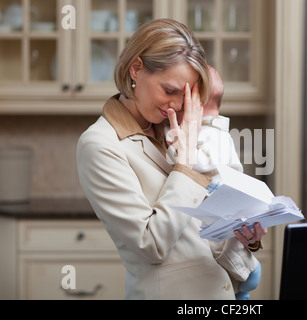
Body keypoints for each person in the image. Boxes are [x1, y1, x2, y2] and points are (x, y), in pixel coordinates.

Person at [76, 18, 266, 300]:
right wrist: (185, 162)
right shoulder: (101, 145)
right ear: (136, 69)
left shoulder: (176, 128)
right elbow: (150, 244)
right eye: (169, 90)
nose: (177, 105)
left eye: (187, 95)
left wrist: (244, 237)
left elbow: (205, 226)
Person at [167, 66, 262, 299]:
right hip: (223, 219)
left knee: (231, 258)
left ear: (195, 106)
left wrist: (176, 146)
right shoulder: (218, 133)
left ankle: (247, 279)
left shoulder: (208, 134)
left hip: (227, 241)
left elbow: (197, 163)